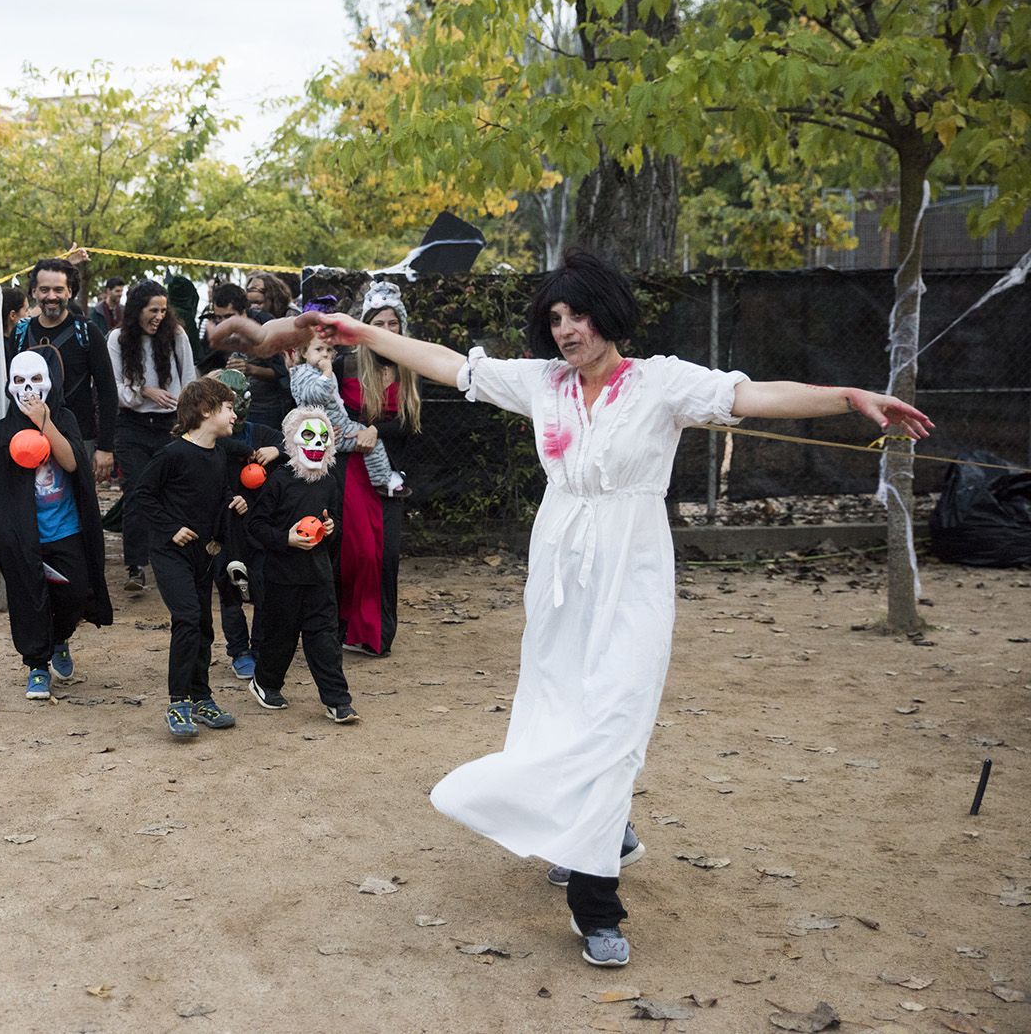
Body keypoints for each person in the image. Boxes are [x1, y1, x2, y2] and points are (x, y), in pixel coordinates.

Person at [317, 248, 932, 968]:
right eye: (555, 319)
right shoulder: (542, 384)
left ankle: (595, 900)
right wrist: (363, 334)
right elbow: (451, 364)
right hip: (560, 568)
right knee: (559, 709)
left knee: (615, 717)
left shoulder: (661, 384)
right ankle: (598, 831)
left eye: (578, 315)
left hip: (632, 566)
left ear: (608, 315)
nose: (568, 330)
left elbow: (752, 396)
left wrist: (848, 397)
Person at [0, 349, 113, 700]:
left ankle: (60, 639)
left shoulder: (65, 418)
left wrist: (45, 423)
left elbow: (72, 465)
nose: (28, 389)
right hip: (26, 534)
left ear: (50, 383)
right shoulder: (1, 432)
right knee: (29, 598)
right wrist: (8, 537)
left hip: (66, 529)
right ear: (10, 386)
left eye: (36, 380)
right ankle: (37, 665)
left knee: (74, 591)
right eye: (20, 381)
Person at [130, 377, 250, 740]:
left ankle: (202, 697)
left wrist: (234, 502)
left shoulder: (217, 454)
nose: (234, 415)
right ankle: (178, 702)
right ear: (206, 410)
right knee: (186, 618)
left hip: (203, 555)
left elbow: (214, 493)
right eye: (228, 408)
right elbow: (142, 495)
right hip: (171, 553)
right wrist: (170, 528)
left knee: (201, 625)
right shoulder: (172, 454)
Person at [245, 406, 359, 724]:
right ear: (293, 441)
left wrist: (332, 529)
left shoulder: (329, 482)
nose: (317, 442)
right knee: (280, 637)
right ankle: (265, 683)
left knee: (324, 635)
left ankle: (338, 701)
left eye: (324, 437)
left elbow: (333, 522)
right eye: (309, 435)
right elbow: (256, 526)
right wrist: (287, 539)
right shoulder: (279, 480)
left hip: (319, 574)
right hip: (281, 576)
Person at [329, 282, 422, 654]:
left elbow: (410, 425)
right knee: (353, 552)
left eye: (392, 324)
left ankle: (376, 635)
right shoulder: (345, 364)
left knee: (384, 555)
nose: (386, 331)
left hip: (390, 474)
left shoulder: (411, 368)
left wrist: (375, 430)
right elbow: (327, 413)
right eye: (378, 324)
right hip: (350, 469)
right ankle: (341, 629)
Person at [108, 279, 197, 592]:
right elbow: (115, 390)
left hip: (169, 425)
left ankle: (173, 557)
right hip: (131, 425)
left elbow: (189, 381)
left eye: (163, 310)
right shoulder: (118, 338)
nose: (158, 316)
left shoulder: (176, 335)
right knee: (136, 490)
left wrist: (188, 420)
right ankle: (136, 564)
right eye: (152, 310)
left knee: (171, 492)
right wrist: (144, 391)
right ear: (137, 310)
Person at [7, 257, 118, 485]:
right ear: (34, 292)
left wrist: (105, 447)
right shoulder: (20, 333)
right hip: (28, 438)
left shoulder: (87, 332)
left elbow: (107, 391)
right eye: (44, 289)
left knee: (79, 507)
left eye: (58, 289)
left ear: (70, 291)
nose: (51, 296)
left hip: (78, 438)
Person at [207, 369, 283, 680]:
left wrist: (277, 450)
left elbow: (296, 446)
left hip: (259, 526)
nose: (233, 417)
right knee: (229, 588)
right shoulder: (209, 440)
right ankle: (238, 650)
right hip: (224, 526)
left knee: (264, 587)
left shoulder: (260, 434)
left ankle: (260, 647)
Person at [289, 330, 406, 497]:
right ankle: (383, 480)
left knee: (367, 437)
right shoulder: (306, 373)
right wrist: (327, 373)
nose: (325, 355)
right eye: (319, 349)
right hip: (331, 427)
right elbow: (314, 397)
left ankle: (380, 477)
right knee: (372, 442)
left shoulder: (313, 372)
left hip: (334, 424)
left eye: (329, 350)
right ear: (304, 353)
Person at [211, 284, 293, 430]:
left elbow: (283, 372)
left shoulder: (264, 325)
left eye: (229, 317)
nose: (224, 323)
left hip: (265, 410)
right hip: (231, 409)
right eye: (219, 318)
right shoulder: (218, 332)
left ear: (243, 312)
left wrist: (251, 369)